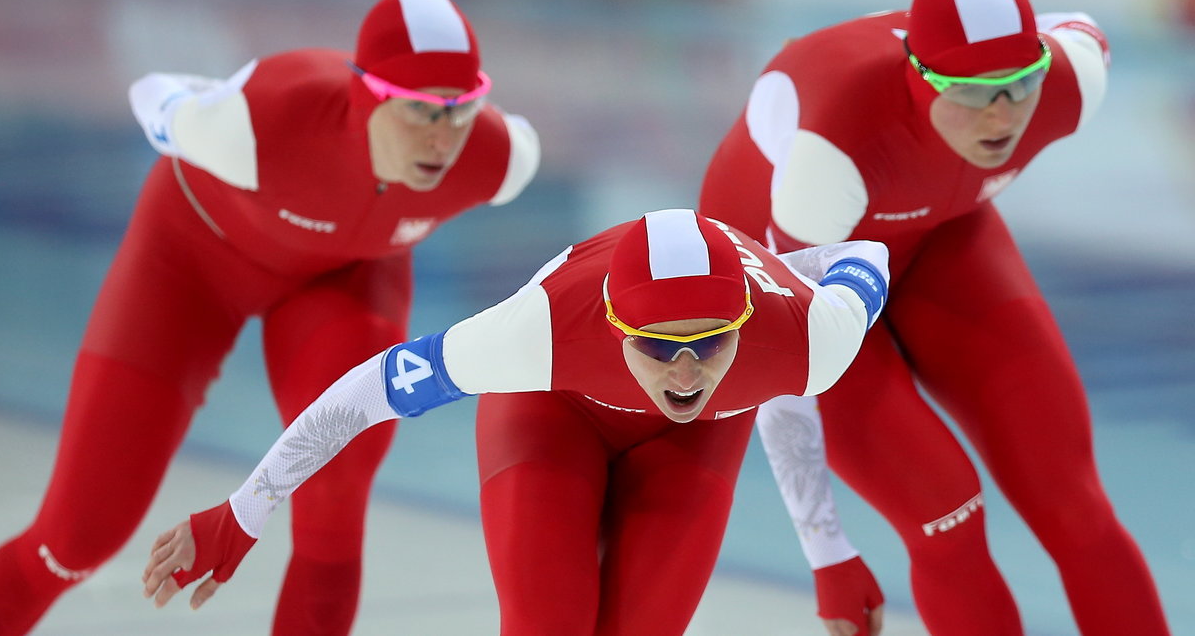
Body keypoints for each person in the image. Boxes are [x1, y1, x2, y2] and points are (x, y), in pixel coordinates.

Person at [0, 0, 540, 636]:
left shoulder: (497, 157)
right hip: (189, 261)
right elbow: (152, 92)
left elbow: (512, 144)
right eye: (420, 111)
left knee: (334, 504)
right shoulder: (256, 122)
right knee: (78, 536)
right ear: (367, 93)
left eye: (460, 109)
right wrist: (196, 95)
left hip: (347, 280)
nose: (443, 136)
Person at [140, 208, 890, 635]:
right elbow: (365, 392)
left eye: (708, 344)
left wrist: (786, 267)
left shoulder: (812, 339)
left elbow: (869, 253)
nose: (686, 373)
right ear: (617, 327)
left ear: (747, 318)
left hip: (697, 439)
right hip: (551, 412)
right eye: (659, 349)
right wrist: (244, 511)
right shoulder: (535, 330)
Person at [699, 0, 1172, 634]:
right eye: (974, 92)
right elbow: (787, 366)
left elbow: (1078, 31)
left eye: (1018, 84)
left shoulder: (1071, 79)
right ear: (917, 77)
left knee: (1072, 503)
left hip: (939, 236)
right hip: (794, 277)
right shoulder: (831, 152)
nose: (1004, 114)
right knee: (946, 512)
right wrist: (828, 553)